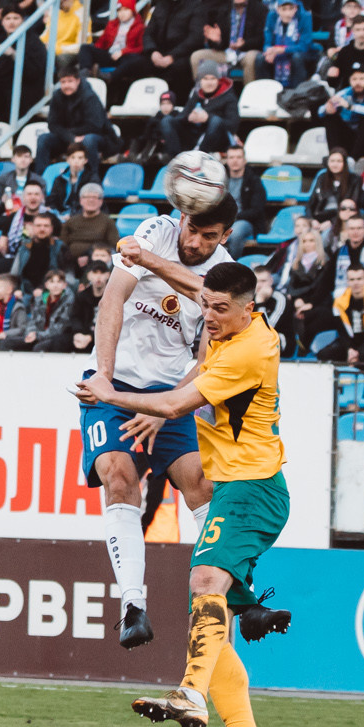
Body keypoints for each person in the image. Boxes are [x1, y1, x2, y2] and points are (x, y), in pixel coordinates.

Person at [74, 260, 286, 727]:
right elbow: (195, 286)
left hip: (251, 489)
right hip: (238, 487)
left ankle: (190, 694)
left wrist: (107, 391)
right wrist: (143, 259)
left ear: (248, 309)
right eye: (207, 307)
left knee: (203, 580)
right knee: (213, 621)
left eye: (220, 309)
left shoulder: (248, 350)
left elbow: (171, 404)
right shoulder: (231, 317)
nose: (208, 317)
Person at [81, 195, 234, 649]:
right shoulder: (155, 229)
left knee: (201, 486)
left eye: (209, 236)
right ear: (181, 219)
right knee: (119, 477)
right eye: (192, 230)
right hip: (115, 384)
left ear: (224, 237)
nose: (195, 241)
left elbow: (208, 361)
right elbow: (113, 297)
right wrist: (105, 378)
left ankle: (232, 595)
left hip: (170, 392)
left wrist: (165, 408)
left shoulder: (225, 275)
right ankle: (132, 605)